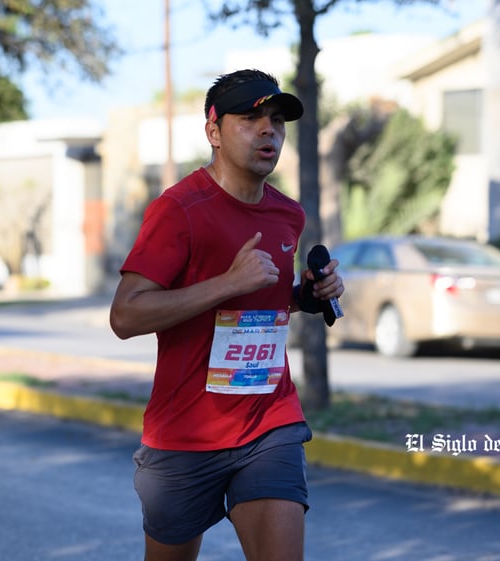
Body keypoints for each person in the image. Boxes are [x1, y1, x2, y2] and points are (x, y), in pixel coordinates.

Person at [109, 68, 344, 561]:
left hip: (268, 421)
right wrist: (227, 283)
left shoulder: (288, 215)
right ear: (213, 131)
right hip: (185, 433)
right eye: (250, 117)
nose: (268, 130)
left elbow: (263, 303)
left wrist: (307, 295)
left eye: (277, 121)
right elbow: (126, 316)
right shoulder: (179, 210)